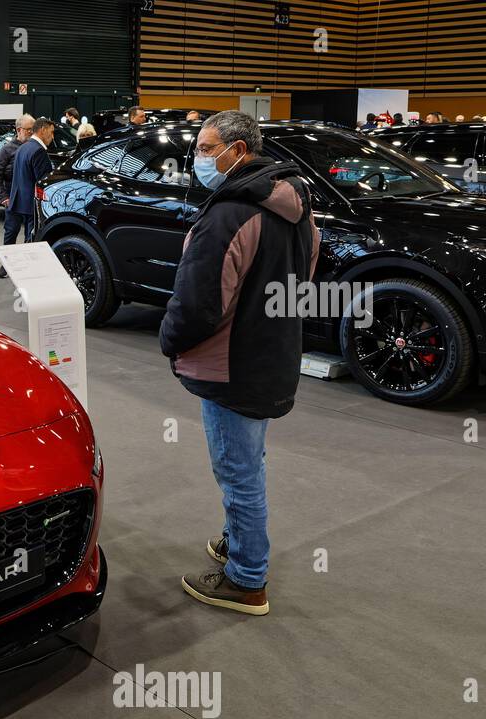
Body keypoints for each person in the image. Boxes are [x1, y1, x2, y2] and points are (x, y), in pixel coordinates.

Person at [157, 110, 320, 615]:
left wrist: (169, 340)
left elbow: (200, 302)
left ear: (238, 152)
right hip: (273, 354)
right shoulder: (297, 206)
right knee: (248, 460)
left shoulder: (229, 214)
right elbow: (306, 275)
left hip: (231, 364)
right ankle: (236, 541)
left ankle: (247, 578)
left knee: (238, 471)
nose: (198, 159)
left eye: (207, 149)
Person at [0, 114, 35, 278]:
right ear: (19, 130)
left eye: (33, 129)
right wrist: (3, 197)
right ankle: (6, 265)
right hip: (13, 198)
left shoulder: (34, 148)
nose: (31, 133)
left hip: (31, 199)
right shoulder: (7, 149)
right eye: (29, 130)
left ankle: (27, 266)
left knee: (30, 234)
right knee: (11, 232)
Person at [7, 117, 55, 247]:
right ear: (43, 130)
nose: (52, 136)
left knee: (14, 240)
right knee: (31, 244)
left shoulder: (23, 148)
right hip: (32, 206)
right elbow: (43, 181)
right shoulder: (39, 151)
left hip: (19, 201)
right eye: (51, 132)